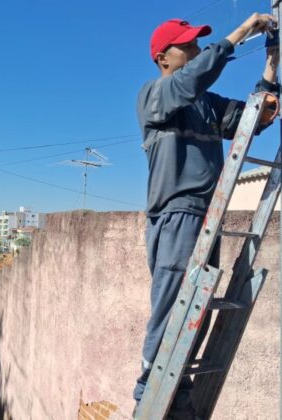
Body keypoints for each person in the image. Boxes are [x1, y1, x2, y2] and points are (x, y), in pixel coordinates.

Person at [133, 13, 279, 419]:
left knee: (194, 307)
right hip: (177, 213)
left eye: (198, 43)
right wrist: (243, 32)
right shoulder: (156, 94)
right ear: (163, 57)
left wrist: (271, 67)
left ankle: (176, 390)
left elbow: (253, 119)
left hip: (208, 216)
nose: (196, 49)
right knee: (172, 303)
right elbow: (193, 79)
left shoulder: (207, 105)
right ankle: (148, 388)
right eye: (188, 44)